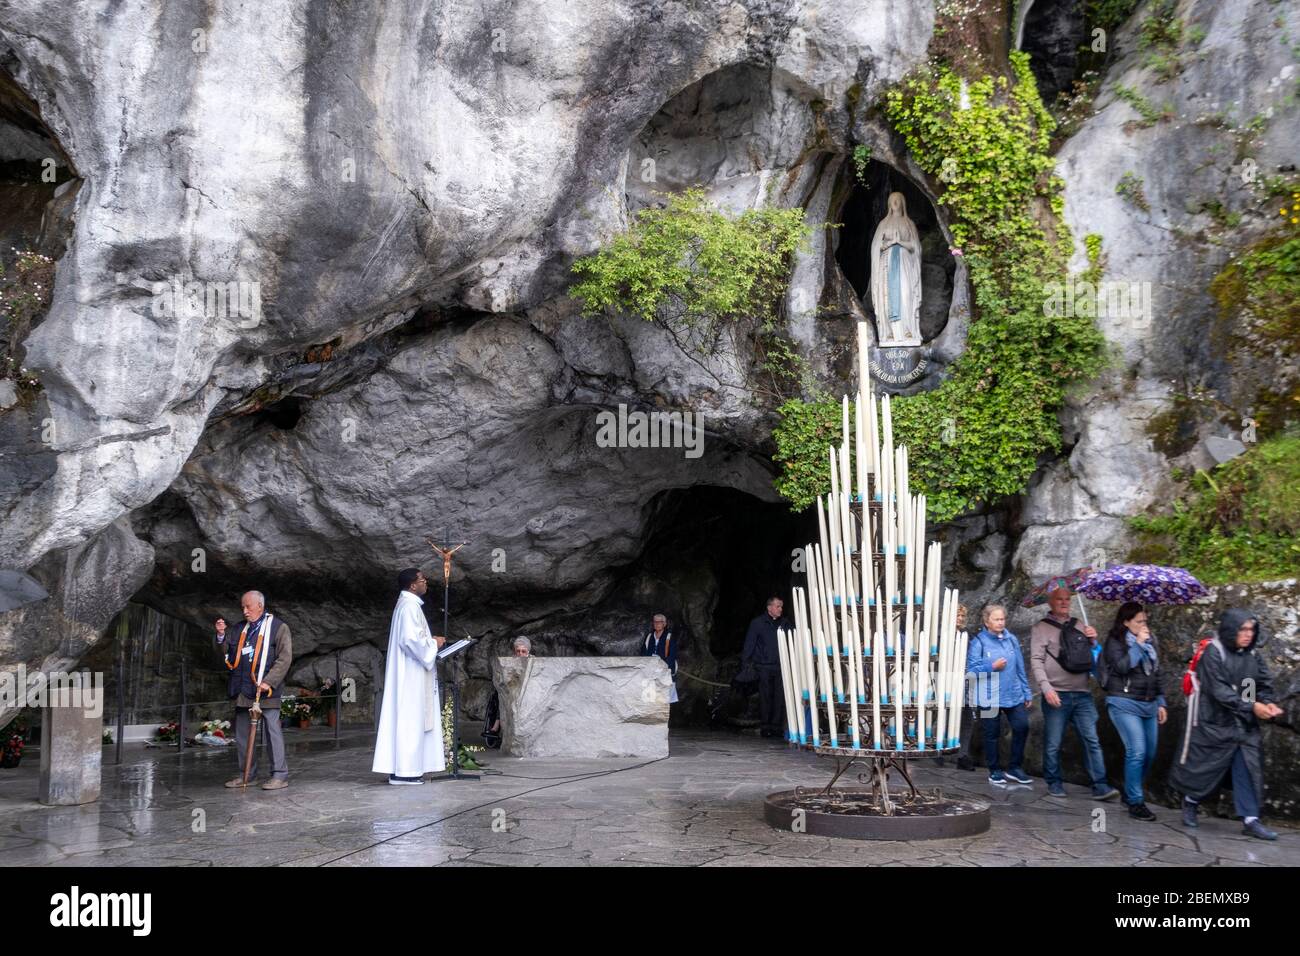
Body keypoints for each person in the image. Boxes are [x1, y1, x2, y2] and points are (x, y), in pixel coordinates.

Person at [1172, 609, 1284, 840]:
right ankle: (1191, 802)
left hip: (1243, 725)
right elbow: (1219, 690)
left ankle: (1251, 819)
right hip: (1214, 723)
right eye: (1242, 629)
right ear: (1231, 629)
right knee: (1206, 769)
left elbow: (1255, 684)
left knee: (1247, 767)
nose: (1248, 634)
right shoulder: (1214, 652)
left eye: (1251, 629)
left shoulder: (1250, 655)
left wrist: (1265, 702)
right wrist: (1251, 707)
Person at [1030, 587, 1120, 801]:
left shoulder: (1080, 625)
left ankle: (1100, 785)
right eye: (1059, 599)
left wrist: (1093, 641)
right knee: (1053, 742)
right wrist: (1046, 688)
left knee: (1091, 739)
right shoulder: (1041, 628)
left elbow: (1091, 659)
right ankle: (1054, 781)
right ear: (1050, 602)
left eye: (1067, 599)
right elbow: (1036, 660)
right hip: (1056, 693)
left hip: (1082, 693)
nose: (1064, 602)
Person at [372, 568, 447, 785]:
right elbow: (410, 641)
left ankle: (405, 769)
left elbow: (413, 636)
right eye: (422, 580)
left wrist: (430, 640)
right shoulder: (409, 607)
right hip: (411, 675)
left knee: (409, 720)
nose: (426, 583)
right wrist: (434, 643)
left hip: (411, 671)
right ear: (413, 585)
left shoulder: (407, 605)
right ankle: (406, 772)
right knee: (410, 721)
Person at [215, 590, 293, 790]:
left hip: (266, 689)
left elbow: (285, 658)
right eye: (242, 607)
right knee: (242, 734)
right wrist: (222, 636)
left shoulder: (278, 627)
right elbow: (229, 656)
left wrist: (269, 681)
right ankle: (247, 774)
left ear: (260, 606)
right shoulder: (240, 628)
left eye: (248, 606)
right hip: (243, 688)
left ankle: (279, 775)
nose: (245, 611)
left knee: (272, 731)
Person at [1098, 602, 1166, 819]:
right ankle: (1135, 802)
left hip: (1149, 703)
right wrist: (1137, 645)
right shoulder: (1115, 642)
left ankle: (1130, 791)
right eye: (1138, 621)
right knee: (1137, 751)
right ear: (1126, 622)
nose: (1143, 625)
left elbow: (1157, 673)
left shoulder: (1150, 640)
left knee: (1150, 753)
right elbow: (1121, 667)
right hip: (1123, 702)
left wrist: (1161, 701)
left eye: (1145, 620)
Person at [966, 604, 1033, 786]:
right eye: (996, 619)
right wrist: (992, 667)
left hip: (1013, 693)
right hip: (989, 696)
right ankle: (994, 770)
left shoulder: (1011, 639)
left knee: (1022, 726)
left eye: (1002, 619)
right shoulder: (978, 642)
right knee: (992, 733)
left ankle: (1015, 767)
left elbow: (1020, 666)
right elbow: (971, 671)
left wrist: (1026, 692)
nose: (1000, 622)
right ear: (987, 621)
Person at [742, 596, 790, 738]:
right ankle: (765, 725)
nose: (780, 609)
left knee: (779, 697)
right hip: (763, 666)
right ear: (769, 608)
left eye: (781, 606)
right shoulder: (757, 623)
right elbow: (750, 643)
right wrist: (746, 663)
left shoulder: (785, 624)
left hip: (780, 666)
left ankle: (776, 726)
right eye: (777, 606)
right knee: (765, 697)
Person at [484, 637, 530, 748]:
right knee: (500, 696)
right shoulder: (510, 662)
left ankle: (497, 724)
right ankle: (497, 723)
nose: (520, 654)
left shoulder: (533, 661)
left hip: (526, 693)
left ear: (528, 651)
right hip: (511, 692)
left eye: (523, 651)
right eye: (518, 651)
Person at [640, 613, 679, 704]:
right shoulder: (649, 637)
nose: (657, 624)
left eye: (660, 622)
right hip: (650, 671)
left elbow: (672, 656)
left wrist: (664, 668)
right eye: (655, 622)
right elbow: (643, 653)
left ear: (664, 624)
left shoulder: (670, 637)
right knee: (650, 697)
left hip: (664, 671)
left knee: (664, 698)